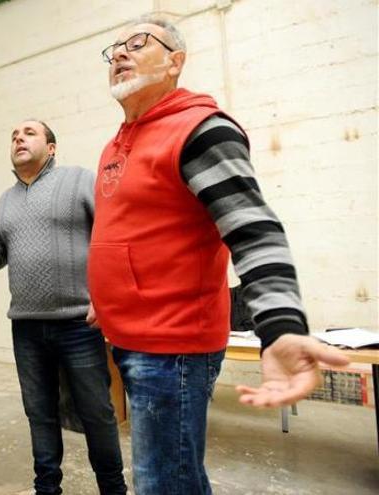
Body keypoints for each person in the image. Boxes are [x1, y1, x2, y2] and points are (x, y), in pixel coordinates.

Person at [89, 15, 350, 494]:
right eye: (113, 49)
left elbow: (254, 229)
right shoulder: (116, 144)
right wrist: (104, 297)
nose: (120, 53)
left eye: (137, 42)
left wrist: (281, 327)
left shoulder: (200, 130)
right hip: (128, 338)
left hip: (173, 349)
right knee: (170, 478)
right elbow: (126, 235)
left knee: (165, 484)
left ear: (175, 62)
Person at [0, 120, 127, 495]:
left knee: (97, 413)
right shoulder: (5, 200)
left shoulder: (78, 180)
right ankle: (47, 488)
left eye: (29, 133)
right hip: (25, 327)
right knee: (39, 412)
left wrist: (107, 297)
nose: (18, 138)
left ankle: (113, 489)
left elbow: (112, 233)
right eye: (13, 135)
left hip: (78, 323)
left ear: (51, 148)